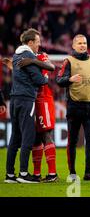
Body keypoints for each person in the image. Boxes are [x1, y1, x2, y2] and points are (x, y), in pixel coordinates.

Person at [56, 34, 90, 182]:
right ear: (73, 46)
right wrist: (69, 79)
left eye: (84, 43)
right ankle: (72, 172)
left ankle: (88, 172)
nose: (82, 45)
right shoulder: (68, 61)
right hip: (75, 106)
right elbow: (59, 80)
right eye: (79, 43)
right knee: (72, 140)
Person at [5, 29, 48, 184]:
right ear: (30, 42)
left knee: (14, 137)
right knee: (27, 136)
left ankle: (10, 175)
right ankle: (23, 173)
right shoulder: (28, 55)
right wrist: (46, 77)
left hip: (15, 99)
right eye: (37, 42)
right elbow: (39, 80)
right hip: (26, 99)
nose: (39, 45)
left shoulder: (16, 55)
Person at [16, 53, 59, 182]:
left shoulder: (41, 56)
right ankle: (36, 174)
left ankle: (52, 174)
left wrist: (32, 61)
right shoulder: (22, 57)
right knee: (35, 138)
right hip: (30, 100)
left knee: (45, 134)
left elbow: (50, 67)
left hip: (43, 99)